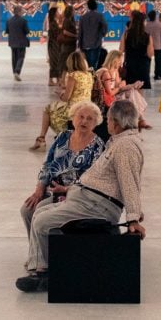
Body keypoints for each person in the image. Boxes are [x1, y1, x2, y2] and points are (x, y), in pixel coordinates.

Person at [16, 99, 146, 293]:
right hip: (84, 198)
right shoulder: (119, 142)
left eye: (108, 120)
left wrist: (133, 217)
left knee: (42, 221)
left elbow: (129, 182)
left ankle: (43, 275)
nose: (107, 124)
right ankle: (44, 264)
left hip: (95, 204)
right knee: (37, 210)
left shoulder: (125, 146)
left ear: (116, 123)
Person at [20, 100, 105, 234]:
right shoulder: (63, 136)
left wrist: (66, 189)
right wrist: (39, 189)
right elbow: (48, 165)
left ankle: (47, 251)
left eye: (90, 119)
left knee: (41, 211)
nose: (84, 121)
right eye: (81, 116)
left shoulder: (98, 146)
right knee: (27, 209)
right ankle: (39, 249)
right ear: (73, 118)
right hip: (53, 191)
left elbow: (93, 179)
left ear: (95, 123)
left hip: (78, 196)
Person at [30, 51, 93, 150]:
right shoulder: (89, 75)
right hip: (87, 108)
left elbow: (66, 98)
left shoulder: (73, 76)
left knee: (47, 109)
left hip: (73, 109)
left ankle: (41, 139)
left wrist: (60, 94)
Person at [96, 50, 149, 134]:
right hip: (105, 99)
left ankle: (140, 119)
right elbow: (110, 92)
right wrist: (120, 87)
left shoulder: (115, 71)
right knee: (129, 96)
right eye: (120, 61)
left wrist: (132, 85)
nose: (122, 63)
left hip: (113, 95)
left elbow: (120, 87)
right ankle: (139, 120)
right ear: (115, 60)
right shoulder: (105, 72)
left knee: (131, 91)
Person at [121, 10, 153, 92]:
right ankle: (139, 105)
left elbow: (121, 50)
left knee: (129, 91)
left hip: (130, 65)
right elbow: (150, 54)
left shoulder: (126, 34)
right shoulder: (147, 36)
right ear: (142, 22)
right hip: (143, 67)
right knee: (140, 91)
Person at [78, 0, 108, 71]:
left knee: (87, 63)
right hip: (96, 43)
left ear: (88, 6)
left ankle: (88, 78)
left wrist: (80, 44)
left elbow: (80, 32)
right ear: (96, 6)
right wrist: (102, 35)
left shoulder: (83, 17)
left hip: (85, 44)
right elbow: (105, 26)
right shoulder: (99, 16)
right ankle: (93, 79)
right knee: (94, 64)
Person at [7, 5, 30, 81]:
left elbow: (7, 31)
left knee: (14, 58)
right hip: (21, 42)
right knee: (21, 57)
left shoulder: (9, 20)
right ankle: (17, 71)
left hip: (12, 42)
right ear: (19, 11)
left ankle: (14, 73)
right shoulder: (23, 21)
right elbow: (27, 31)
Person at [54, 4, 78, 77]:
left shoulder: (71, 20)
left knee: (68, 62)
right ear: (70, 11)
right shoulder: (67, 20)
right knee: (65, 62)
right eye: (73, 10)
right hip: (67, 45)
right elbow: (65, 32)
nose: (74, 12)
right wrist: (75, 36)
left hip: (71, 44)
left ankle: (63, 80)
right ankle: (62, 80)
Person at [146, 9, 161, 80]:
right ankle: (156, 75)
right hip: (158, 45)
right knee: (158, 61)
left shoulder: (147, 24)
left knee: (148, 60)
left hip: (148, 46)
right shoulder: (160, 24)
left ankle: (147, 74)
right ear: (155, 16)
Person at [46, 5, 62, 87]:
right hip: (54, 46)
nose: (59, 13)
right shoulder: (53, 23)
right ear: (54, 14)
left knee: (55, 62)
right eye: (57, 12)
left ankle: (56, 79)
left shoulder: (54, 22)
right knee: (55, 62)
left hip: (54, 45)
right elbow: (55, 35)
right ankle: (54, 80)